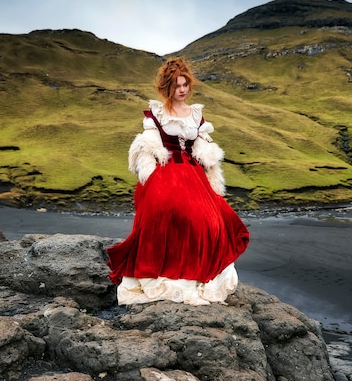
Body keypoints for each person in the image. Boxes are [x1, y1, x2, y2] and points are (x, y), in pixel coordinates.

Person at [106, 57, 250, 305]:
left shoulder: (196, 114)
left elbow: (200, 143)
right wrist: (148, 171)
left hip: (193, 172)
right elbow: (150, 143)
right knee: (164, 212)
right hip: (166, 170)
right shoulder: (157, 113)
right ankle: (166, 271)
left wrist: (207, 156)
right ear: (167, 88)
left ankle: (197, 273)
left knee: (209, 220)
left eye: (185, 85)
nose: (182, 90)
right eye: (177, 86)